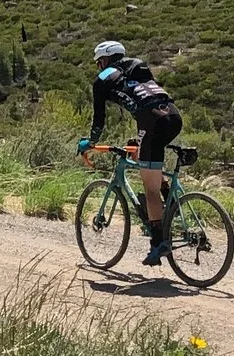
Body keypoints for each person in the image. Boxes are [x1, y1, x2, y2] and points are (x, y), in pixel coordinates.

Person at [79, 39, 184, 266]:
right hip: (173, 116)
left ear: (104, 60)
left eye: (99, 63)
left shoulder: (102, 79)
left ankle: (158, 242)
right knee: (139, 150)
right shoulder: (139, 66)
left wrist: (91, 142)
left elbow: (99, 119)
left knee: (150, 188)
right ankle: (170, 197)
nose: (99, 67)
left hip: (151, 122)